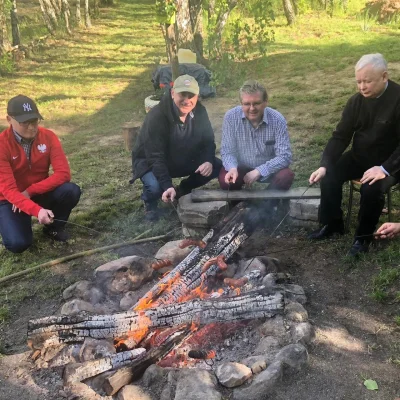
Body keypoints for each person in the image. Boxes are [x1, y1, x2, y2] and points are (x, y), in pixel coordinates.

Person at [308, 53, 400, 256]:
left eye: (367, 81)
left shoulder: (398, 99)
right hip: (360, 156)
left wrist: (384, 168)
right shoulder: (355, 102)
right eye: (358, 81)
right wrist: (324, 164)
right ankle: (332, 224)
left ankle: (363, 238)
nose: (362, 87)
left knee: (370, 189)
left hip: (391, 163)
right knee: (330, 174)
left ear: (384, 76)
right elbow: (340, 136)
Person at [131, 74, 222, 221]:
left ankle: (183, 189)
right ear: (173, 93)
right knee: (156, 187)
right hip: (151, 161)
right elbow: (155, 156)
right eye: (182, 94)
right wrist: (167, 185)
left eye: (191, 95)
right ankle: (150, 203)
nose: (187, 100)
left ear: (197, 96)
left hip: (181, 157)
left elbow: (208, 141)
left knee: (216, 166)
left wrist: (207, 161)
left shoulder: (200, 111)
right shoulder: (157, 116)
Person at [0, 95, 81, 253]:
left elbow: (63, 174)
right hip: (10, 200)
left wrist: (29, 192)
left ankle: (53, 228)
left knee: (71, 190)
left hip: (38, 191)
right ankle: (9, 224)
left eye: (35, 121)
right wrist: (36, 210)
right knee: (18, 244)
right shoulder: (2, 145)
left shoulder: (48, 136)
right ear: (9, 119)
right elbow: (8, 190)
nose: (31, 127)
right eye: (25, 123)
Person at [219, 80, 294, 192]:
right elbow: (227, 151)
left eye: (257, 103)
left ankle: (267, 204)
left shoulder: (278, 119)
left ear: (265, 102)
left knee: (285, 176)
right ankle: (238, 204)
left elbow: (284, 156)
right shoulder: (230, 117)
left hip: (269, 168)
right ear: (241, 103)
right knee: (225, 180)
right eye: (247, 104)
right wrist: (232, 168)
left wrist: (259, 171)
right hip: (241, 167)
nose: (252, 108)